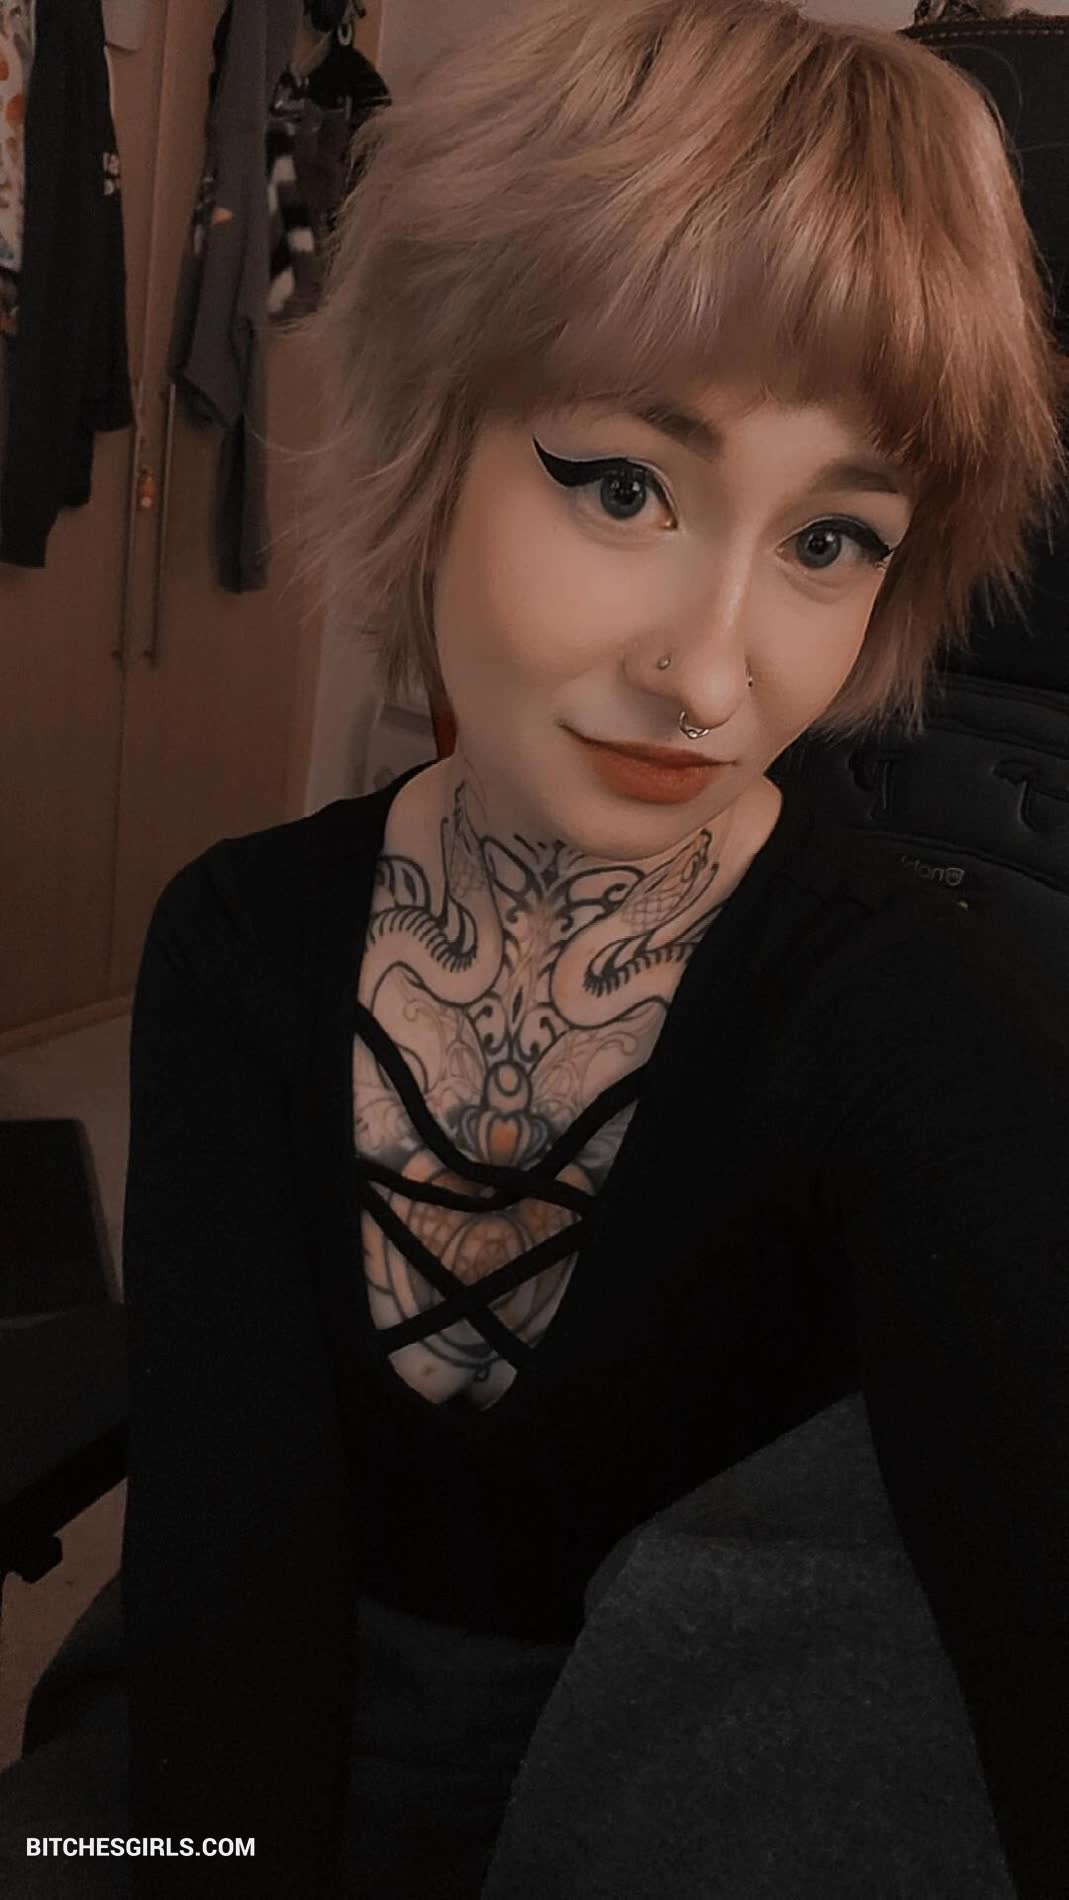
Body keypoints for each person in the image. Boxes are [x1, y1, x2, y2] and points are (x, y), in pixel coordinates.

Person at [117, 1, 1069, 1895]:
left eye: (829, 541)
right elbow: (226, 1598)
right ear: (431, 434)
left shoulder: (920, 1021)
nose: (711, 675)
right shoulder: (240, 942)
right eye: (622, 485)